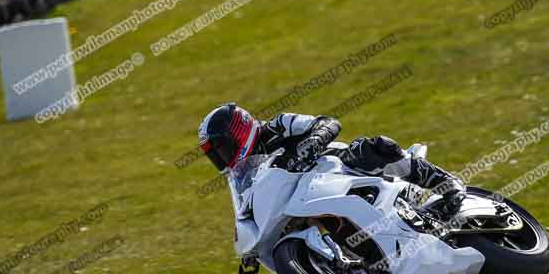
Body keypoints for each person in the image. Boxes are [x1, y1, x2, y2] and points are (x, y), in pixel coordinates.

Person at [198, 103, 465, 216]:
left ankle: (447, 183)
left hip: (336, 166)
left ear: (238, 131)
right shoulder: (245, 175)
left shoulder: (278, 126)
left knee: (372, 147)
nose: (221, 157)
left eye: (221, 148)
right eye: (214, 154)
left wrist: (315, 139)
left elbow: (328, 122)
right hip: (304, 197)